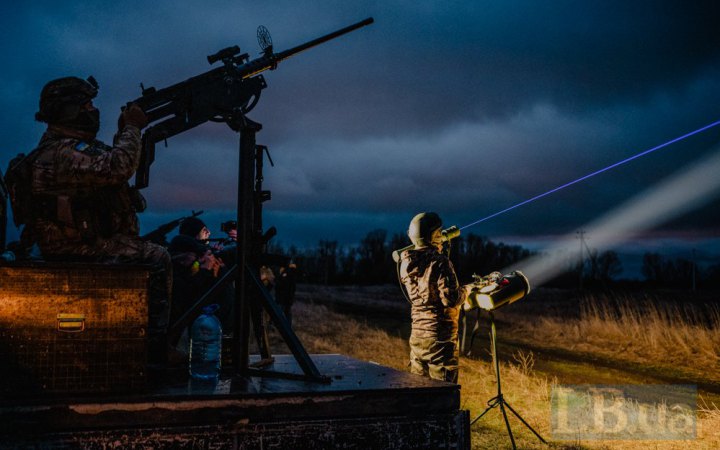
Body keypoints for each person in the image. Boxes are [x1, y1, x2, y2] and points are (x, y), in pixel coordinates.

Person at [18, 76, 172, 333]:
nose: (93, 110)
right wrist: (132, 127)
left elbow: (106, 163)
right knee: (157, 258)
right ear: (69, 111)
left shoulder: (71, 148)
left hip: (84, 242)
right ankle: (155, 343)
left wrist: (124, 132)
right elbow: (118, 166)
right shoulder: (61, 152)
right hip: (76, 248)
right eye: (87, 105)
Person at [398, 212, 469, 383]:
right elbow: (451, 299)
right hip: (440, 339)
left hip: (417, 336)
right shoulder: (440, 262)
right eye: (438, 232)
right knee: (443, 392)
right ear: (433, 236)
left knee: (418, 389)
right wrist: (467, 290)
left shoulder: (405, 262)